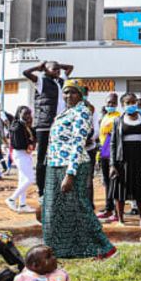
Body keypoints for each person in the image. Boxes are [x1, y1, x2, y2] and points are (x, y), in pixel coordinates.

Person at [41, 79, 116, 260]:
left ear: (81, 94)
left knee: (80, 208)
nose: (69, 96)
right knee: (54, 211)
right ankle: (59, 250)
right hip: (55, 164)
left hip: (71, 166)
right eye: (66, 92)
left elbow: (78, 143)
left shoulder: (82, 112)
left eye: (73, 92)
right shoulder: (67, 112)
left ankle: (106, 248)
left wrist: (70, 173)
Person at [23, 60, 74, 198]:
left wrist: (57, 65)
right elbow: (26, 73)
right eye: (54, 69)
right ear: (46, 70)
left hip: (59, 126)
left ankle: (56, 187)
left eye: (58, 70)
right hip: (45, 126)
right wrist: (39, 67)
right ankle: (41, 190)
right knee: (42, 159)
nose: (58, 72)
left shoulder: (60, 82)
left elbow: (70, 67)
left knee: (58, 157)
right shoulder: (41, 81)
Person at [110, 93, 141, 226]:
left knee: (140, 190)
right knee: (120, 190)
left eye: (133, 102)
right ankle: (121, 219)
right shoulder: (118, 121)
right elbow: (113, 143)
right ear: (123, 105)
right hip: (122, 160)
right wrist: (113, 164)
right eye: (128, 103)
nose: (131, 105)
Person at [95, 94, 121, 221]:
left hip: (111, 153)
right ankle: (108, 208)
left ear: (116, 104)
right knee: (107, 182)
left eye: (112, 103)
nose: (110, 105)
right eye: (108, 103)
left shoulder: (117, 117)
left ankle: (116, 212)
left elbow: (113, 136)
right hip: (103, 152)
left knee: (113, 182)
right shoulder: (105, 116)